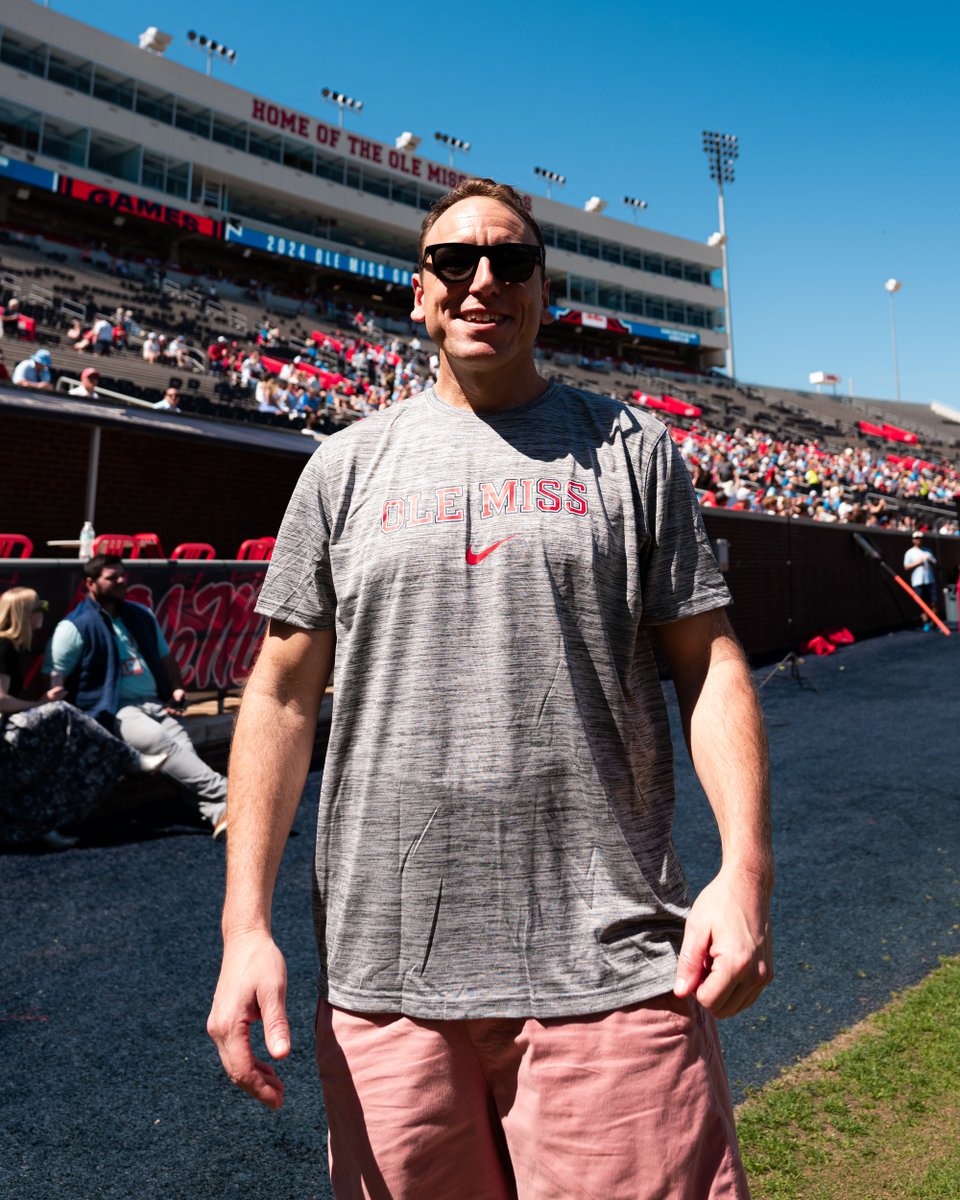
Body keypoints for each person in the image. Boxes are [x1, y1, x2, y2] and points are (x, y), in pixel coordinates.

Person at [208, 179, 773, 1198]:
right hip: (388, 978)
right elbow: (283, 695)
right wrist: (244, 924)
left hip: (613, 963)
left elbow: (710, 661)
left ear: (542, 290)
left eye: (510, 262)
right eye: (453, 262)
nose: (482, 281)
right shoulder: (343, 467)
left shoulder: (632, 450)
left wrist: (745, 870)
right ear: (418, 293)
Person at [45, 556, 228, 839]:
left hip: (156, 702)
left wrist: (176, 687)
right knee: (164, 745)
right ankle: (235, 795)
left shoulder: (141, 614)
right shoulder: (74, 626)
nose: (121, 581)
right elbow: (56, 676)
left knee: (183, 753)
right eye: (112, 577)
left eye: (122, 575)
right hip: (115, 711)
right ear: (90, 583)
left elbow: (165, 658)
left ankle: (220, 813)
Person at [1, 587, 168, 849]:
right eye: (40, 606)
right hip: (4, 736)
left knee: (60, 745)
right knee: (62, 712)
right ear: (25, 612)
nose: (44, 611)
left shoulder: (11, 647)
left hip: (8, 730)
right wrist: (39, 704)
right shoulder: (3, 645)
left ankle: (42, 824)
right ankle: (130, 759)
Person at [904, 530, 938, 629]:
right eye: (917, 538)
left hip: (930, 580)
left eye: (920, 538)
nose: (919, 540)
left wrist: (929, 560)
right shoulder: (909, 553)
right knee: (920, 603)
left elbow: (935, 563)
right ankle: (926, 621)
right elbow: (906, 567)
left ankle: (934, 621)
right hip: (917, 582)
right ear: (913, 540)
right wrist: (919, 562)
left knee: (934, 601)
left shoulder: (927, 551)